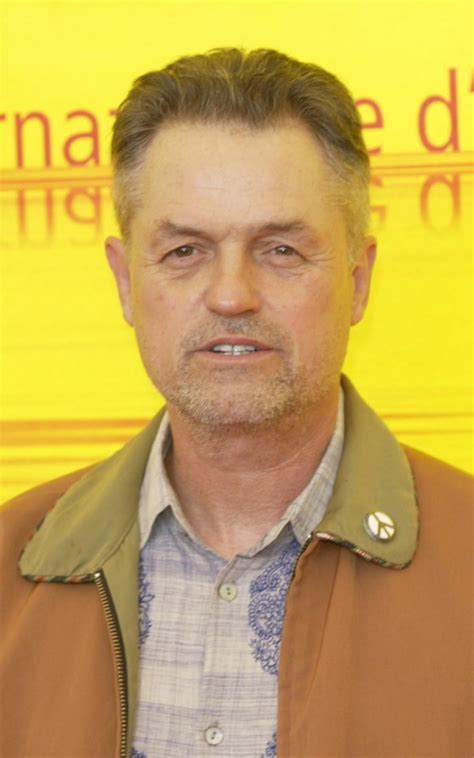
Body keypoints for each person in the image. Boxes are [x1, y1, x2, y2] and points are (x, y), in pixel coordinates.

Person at [0, 48, 471, 758]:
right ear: (126, 283)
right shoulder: (10, 572)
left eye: (280, 249)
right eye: (185, 250)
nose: (230, 294)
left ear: (359, 277)